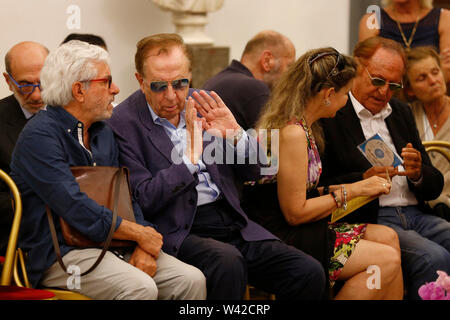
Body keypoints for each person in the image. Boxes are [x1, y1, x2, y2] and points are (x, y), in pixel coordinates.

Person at [107, 33, 326, 300]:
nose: (171, 96)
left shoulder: (203, 103)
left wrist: (237, 136)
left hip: (233, 222)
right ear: (140, 81)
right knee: (228, 263)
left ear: (190, 74)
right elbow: (144, 198)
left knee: (308, 272)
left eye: (180, 83)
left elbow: (255, 170)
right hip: (179, 229)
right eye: (158, 86)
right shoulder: (123, 122)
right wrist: (188, 161)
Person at [9, 40, 206, 300]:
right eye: (107, 81)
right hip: (61, 256)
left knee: (190, 280)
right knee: (138, 287)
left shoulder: (102, 131)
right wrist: (139, 234)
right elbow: (74, 206)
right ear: (79, 90)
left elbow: (126, 197)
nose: (116, 89)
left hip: (114, 243)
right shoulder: (40, 136)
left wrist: (144, 244)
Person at [242, 47, 403, 300]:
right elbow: (295, 213)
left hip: (292, 225)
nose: (346, 102)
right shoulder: (293, 132)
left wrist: (352, 187)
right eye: (345, 94)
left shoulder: (305, 126)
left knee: (389, 237)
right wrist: (356, 190)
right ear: (328, 94)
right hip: (277, 233)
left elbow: (298, 191)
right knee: (386, 260)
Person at [319, 36, 450, 300]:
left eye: (394, 86)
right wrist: (362, 180)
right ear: (357, 68)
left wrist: (418, 172)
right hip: (374, 218)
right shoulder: (333, 114)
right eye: (377, 81)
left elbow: (434, 185)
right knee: (433, 257)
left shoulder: (399, 112)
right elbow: (319, 182)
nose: (384, 92)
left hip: (416, 211)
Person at [0, 41, 48, 254]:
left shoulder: (75, 112)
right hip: (20, 239)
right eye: (25, 85)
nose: (37, 95)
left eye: (43, 82)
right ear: (8, 82)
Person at [202, 30, 296, 130]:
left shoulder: (215, 80)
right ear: (267, 61)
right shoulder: (255, 89)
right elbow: (272, 143)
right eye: (289, 66)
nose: (291, 76)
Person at [359, 0, 450, 92]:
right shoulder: (372, 20)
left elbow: (446, 70)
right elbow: (365, 70)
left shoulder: (444, 17)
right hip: (387, 94)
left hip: (432, 95)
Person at [404, 46, 450, 219]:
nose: (433, 80)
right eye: (422, 78)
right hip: (418, 208)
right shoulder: (404, 115)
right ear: (410, 89)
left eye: (435, 72)